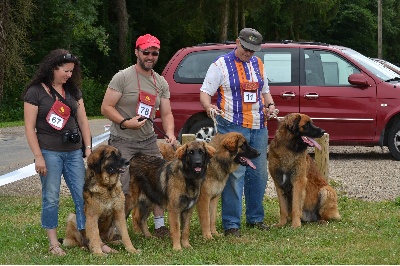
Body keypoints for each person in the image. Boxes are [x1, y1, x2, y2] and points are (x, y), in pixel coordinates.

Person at [200, 28, 276, 237]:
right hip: (232, 127)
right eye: (245, 48)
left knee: (258, 173)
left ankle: (255, 218)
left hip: (259, 126)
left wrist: (270, 106)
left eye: (253, 50)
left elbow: (265, 91)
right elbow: (205, 92)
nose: (248, 53)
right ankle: (231, 224)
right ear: (237, 42)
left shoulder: (258, 64)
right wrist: (209, 107)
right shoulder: (220, 65)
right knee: (234, 175)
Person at [101, 33, 177, 238]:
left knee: (161, 182)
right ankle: (115, 229)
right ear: (137, 52)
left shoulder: (160, 82)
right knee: (122, 186)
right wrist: (125, 122)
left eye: (154, 53)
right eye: (146, 52)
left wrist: (169, 133)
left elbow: (167, 113)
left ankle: (160, 226)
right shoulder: (123, 77)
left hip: (148, 140)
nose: (150, 56)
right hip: (122, 139)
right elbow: (106, 107)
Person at [23, 49, 92, 255]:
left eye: (72, 71)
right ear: (53, 68)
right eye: (65, 71)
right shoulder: (35, 92)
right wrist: (38, 156)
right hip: (49, 152)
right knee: (51, 197)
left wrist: (88, 148)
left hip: (73, 152)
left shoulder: (73, 91)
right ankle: (54, 243)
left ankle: (88, 239)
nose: (69, 75)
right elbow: (29, 127)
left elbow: (83, 121)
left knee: (82, 195)